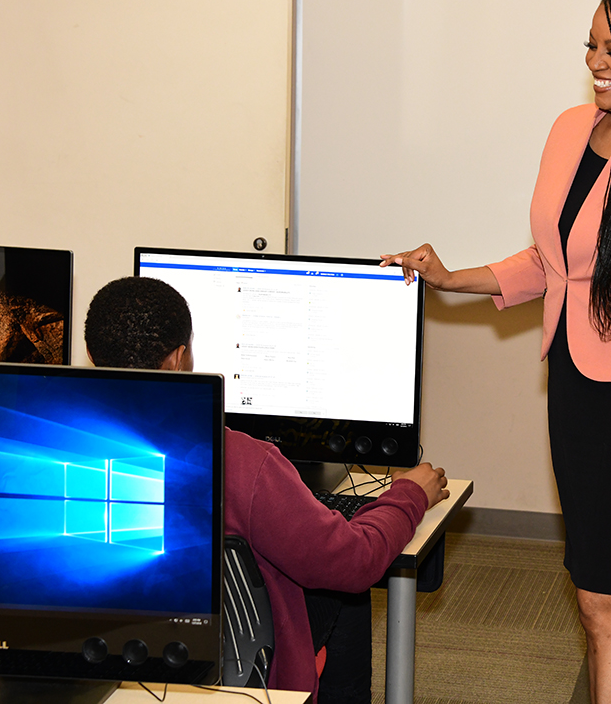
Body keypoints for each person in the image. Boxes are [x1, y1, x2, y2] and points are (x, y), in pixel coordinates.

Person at [382, 0, 611, 703]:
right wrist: (452, 278)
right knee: (609, 596)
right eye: (591, 46)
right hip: (577, 383)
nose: (595, 63)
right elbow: (560, 262)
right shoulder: (570, 129)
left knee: (605, 599)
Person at [84, 276, 449, 701]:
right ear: (178, 359)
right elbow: (354, 563)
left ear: (91, 355)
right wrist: (409, 495)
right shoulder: (240, 461)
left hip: (101, 662)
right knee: (342, 584)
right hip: (235, 670)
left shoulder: (47, 446)